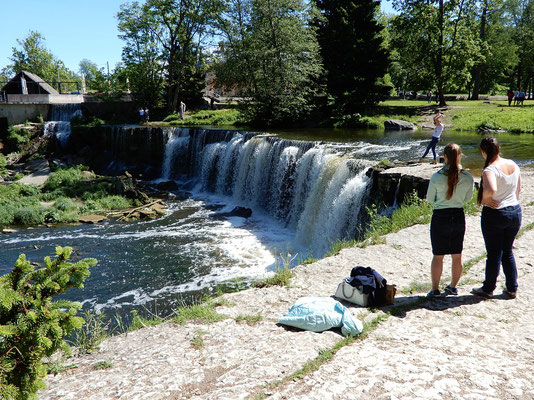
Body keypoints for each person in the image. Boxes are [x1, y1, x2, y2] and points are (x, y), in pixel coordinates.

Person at [472, 137, 522, 299]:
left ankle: (488, 288)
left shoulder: (490, 170)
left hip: (495, 214)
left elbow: (492, 189)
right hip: (515, 211)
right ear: (499, 149)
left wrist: (486, 199)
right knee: (507, 251)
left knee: (494, 253)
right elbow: (518, 189)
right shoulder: (513, 164)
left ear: (483, 152)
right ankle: (512, 287)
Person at [425, 143, 474, 297]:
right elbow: (467, 199)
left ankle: (434, 289)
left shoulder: (437, 177)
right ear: (460, 156)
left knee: (438, 255)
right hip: (458, 216)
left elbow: (429, 200)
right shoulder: (468, 177)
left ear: (444, 157)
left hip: (440, 216)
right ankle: (453, 286)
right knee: (457, 254)